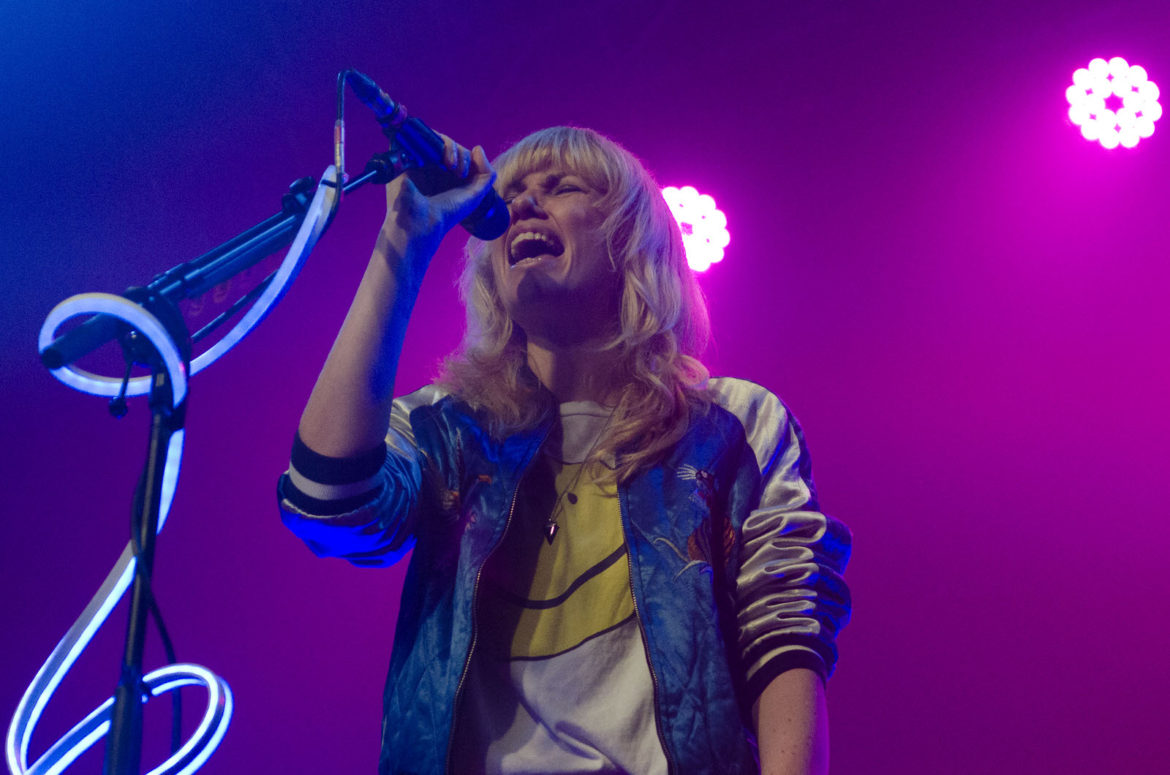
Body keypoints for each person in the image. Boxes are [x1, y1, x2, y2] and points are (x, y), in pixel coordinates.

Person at [279, 126, 851, 775]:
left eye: (561, 187)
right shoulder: (450, 429)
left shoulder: (732, 424)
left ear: (633, 238)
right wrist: (404, 243)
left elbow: (784, 640)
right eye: (511, 194)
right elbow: (325, 503)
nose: (523, 203)